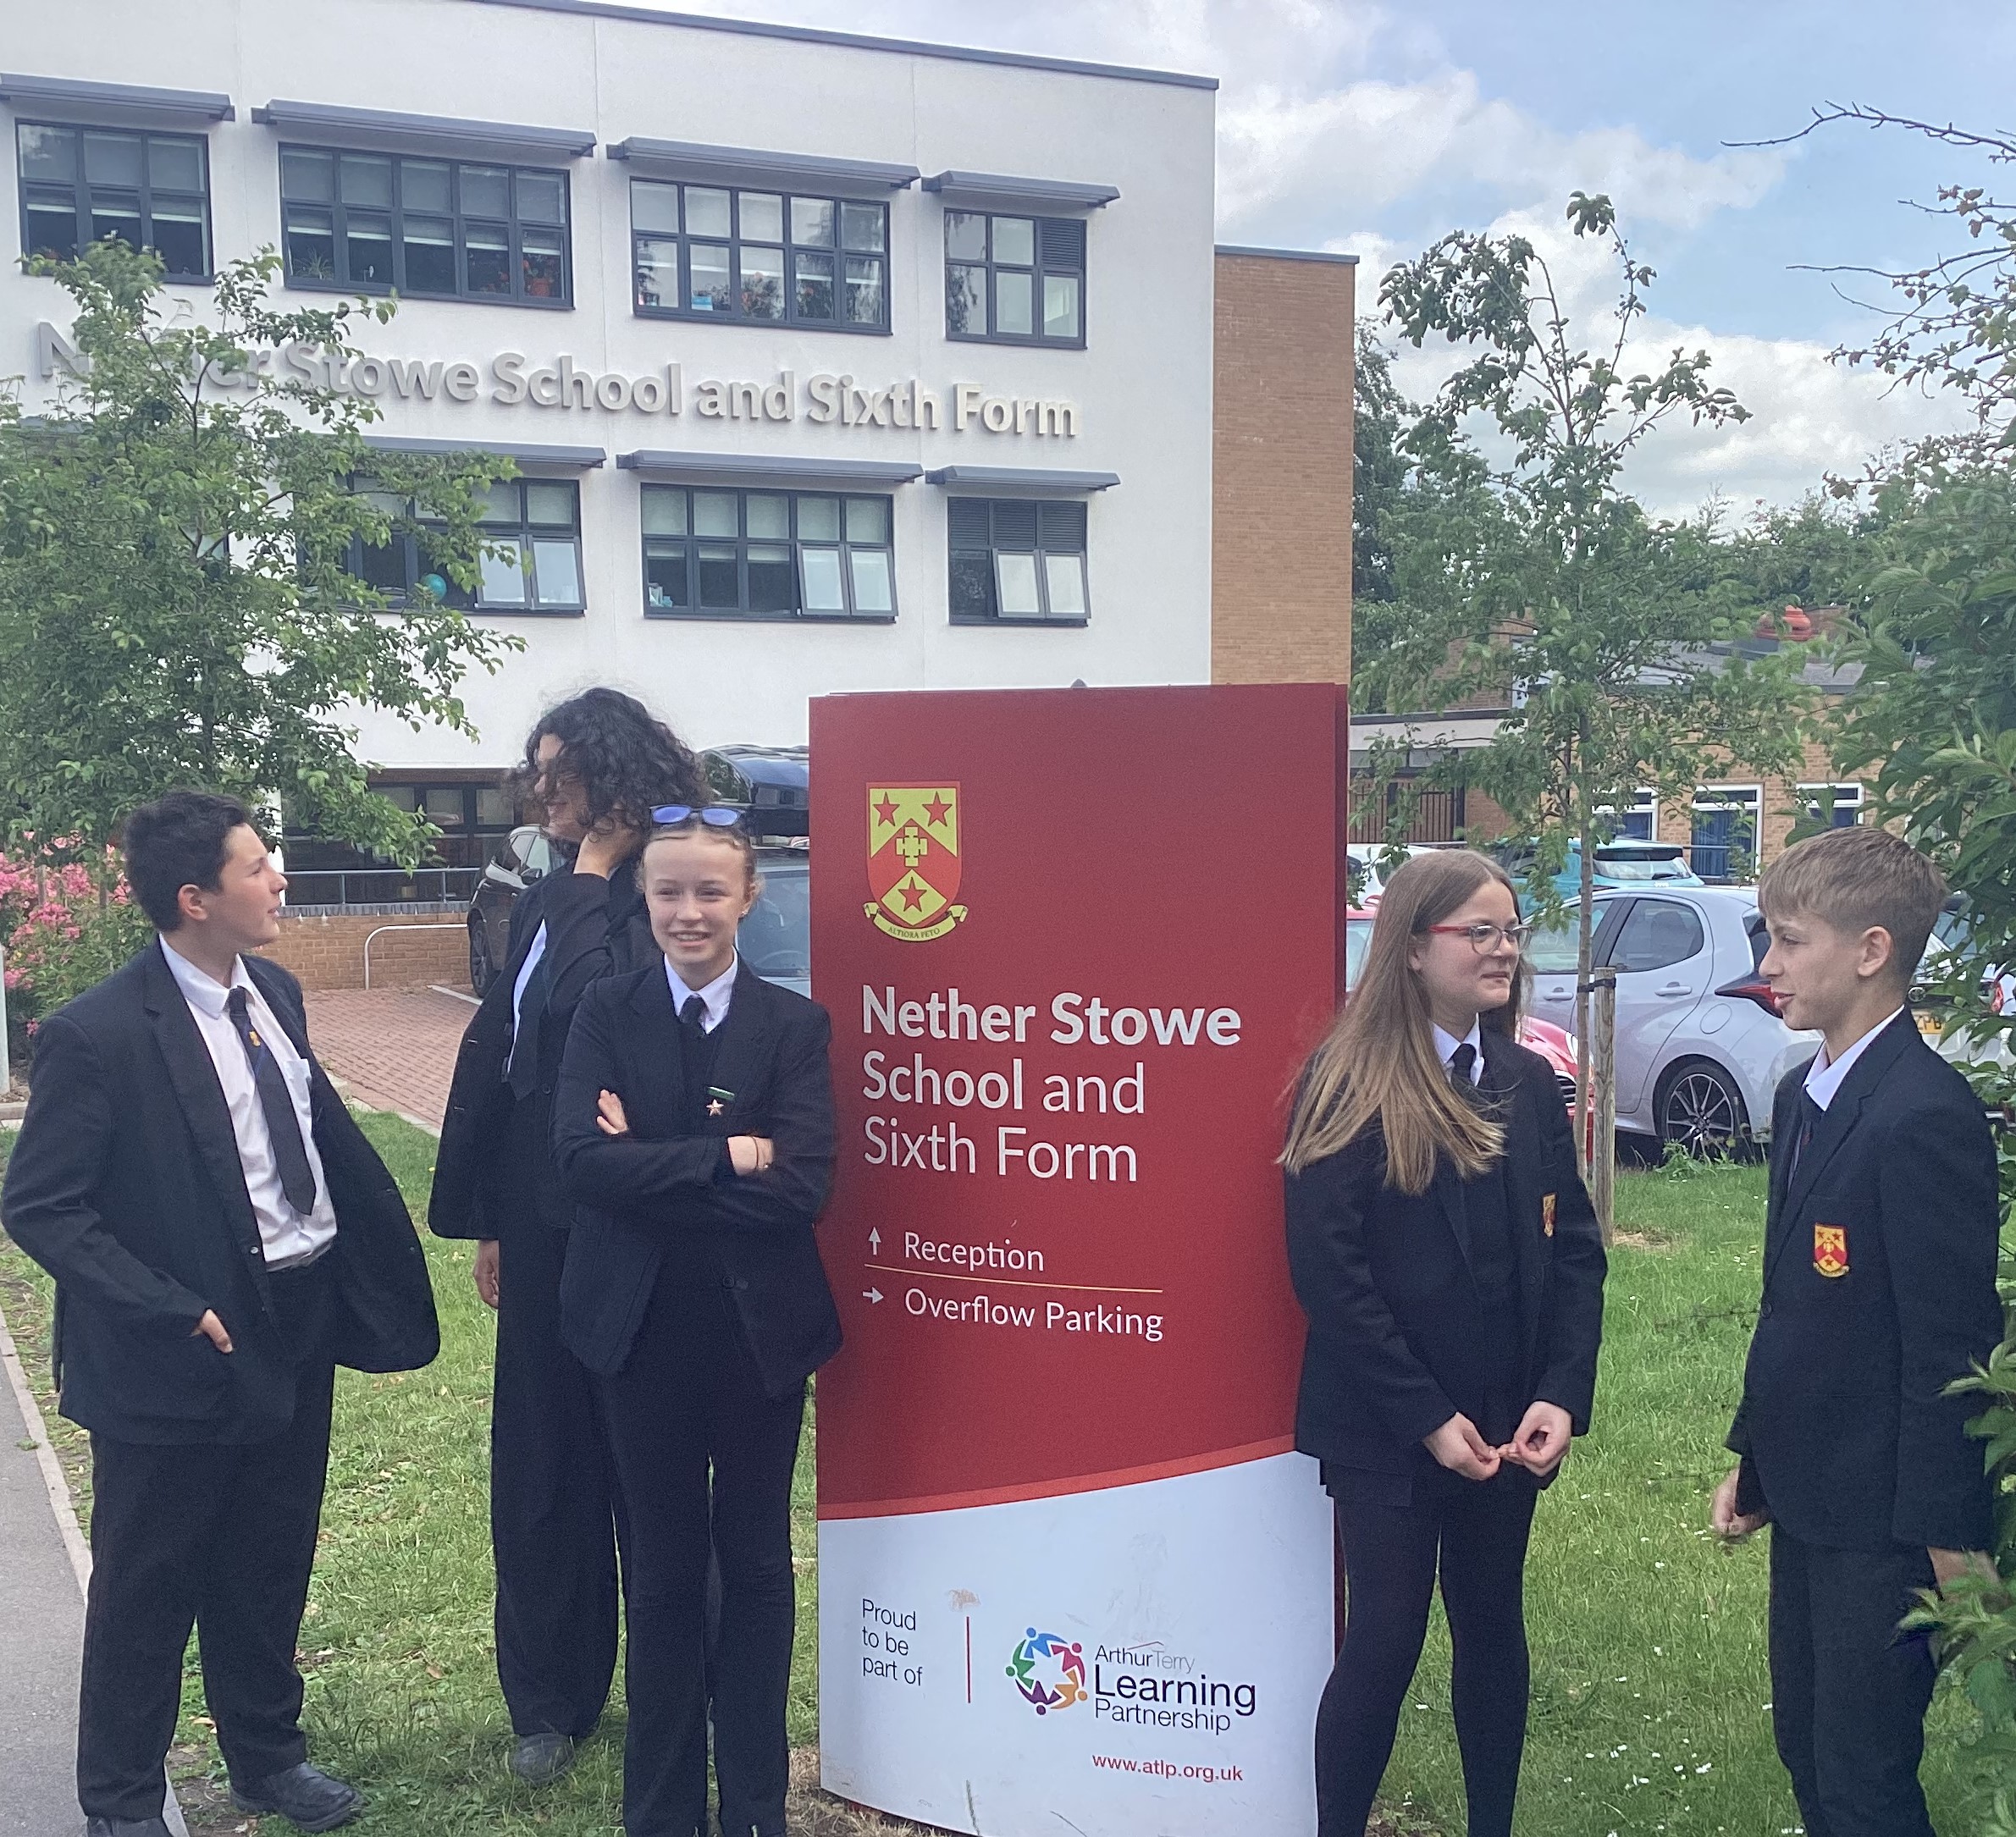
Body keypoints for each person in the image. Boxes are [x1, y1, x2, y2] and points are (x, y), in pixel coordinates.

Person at [1, 792, 439, 1837]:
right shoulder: (98, 1033)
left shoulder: (273, 992)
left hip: (295, 1317)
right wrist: (170, 1307)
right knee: (150, 1581)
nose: (280, 878)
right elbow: (40, 1205)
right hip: (175, 1347)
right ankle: (120, 1801)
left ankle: (266, 1755)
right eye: (257, 866)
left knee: (267, 1554)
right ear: (195, 898)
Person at [1281, 847, 1607, 1837]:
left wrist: (1559, 1391)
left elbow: (1574, 1251)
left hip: (1507, 1423)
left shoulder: (1524, 1079)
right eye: (1479, 931)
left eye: (1510, 931)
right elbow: (1329, 1277)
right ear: (1413, 948)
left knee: (1491, 1624)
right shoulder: (1347, 1081)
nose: (1502, 948)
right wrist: (1425, 1417)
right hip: (1387, 1426)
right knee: (1384, 1638)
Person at [428, 687, 705, 1786]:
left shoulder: (663, 893)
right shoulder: (549, 895)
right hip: (541, 1220)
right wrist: (495, 1219)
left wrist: (595, 870)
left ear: (614, 776)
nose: (539, 791)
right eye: (534, 772)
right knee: (541, 1461)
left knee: (644, 1459)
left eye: (560, 773)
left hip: (639, 1223)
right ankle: (548, 1697)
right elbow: (515, 1053)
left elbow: (603, 1022)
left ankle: (676, 1685)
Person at [551, 808, 841, 1837]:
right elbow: (580, 1165)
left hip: (757, 1338)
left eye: (709, 891)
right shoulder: (604, 1009)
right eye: (668, 890)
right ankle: (662, 1810)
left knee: (756, 1565)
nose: (687, 911)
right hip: (637, 1337)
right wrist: (727, 1154)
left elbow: (801, 1189)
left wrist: (650, 1162)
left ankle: (755, 1805)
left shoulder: (793, 1025)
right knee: (665, 1573)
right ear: (643, 895)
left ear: (746, 898)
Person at [1711, 825, 2002, 1837]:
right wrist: (1753, 1462)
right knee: (1807, 1750)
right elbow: (1792, 1309)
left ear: (1870, 950)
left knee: (1864, 1777)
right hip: (1810, 1498)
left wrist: (1949, 1537)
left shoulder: (1923, 1116)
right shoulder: (1803, 1095)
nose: (1768, 962)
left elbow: (1949, 1348)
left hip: (1884, 1524)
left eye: (1790, 940)